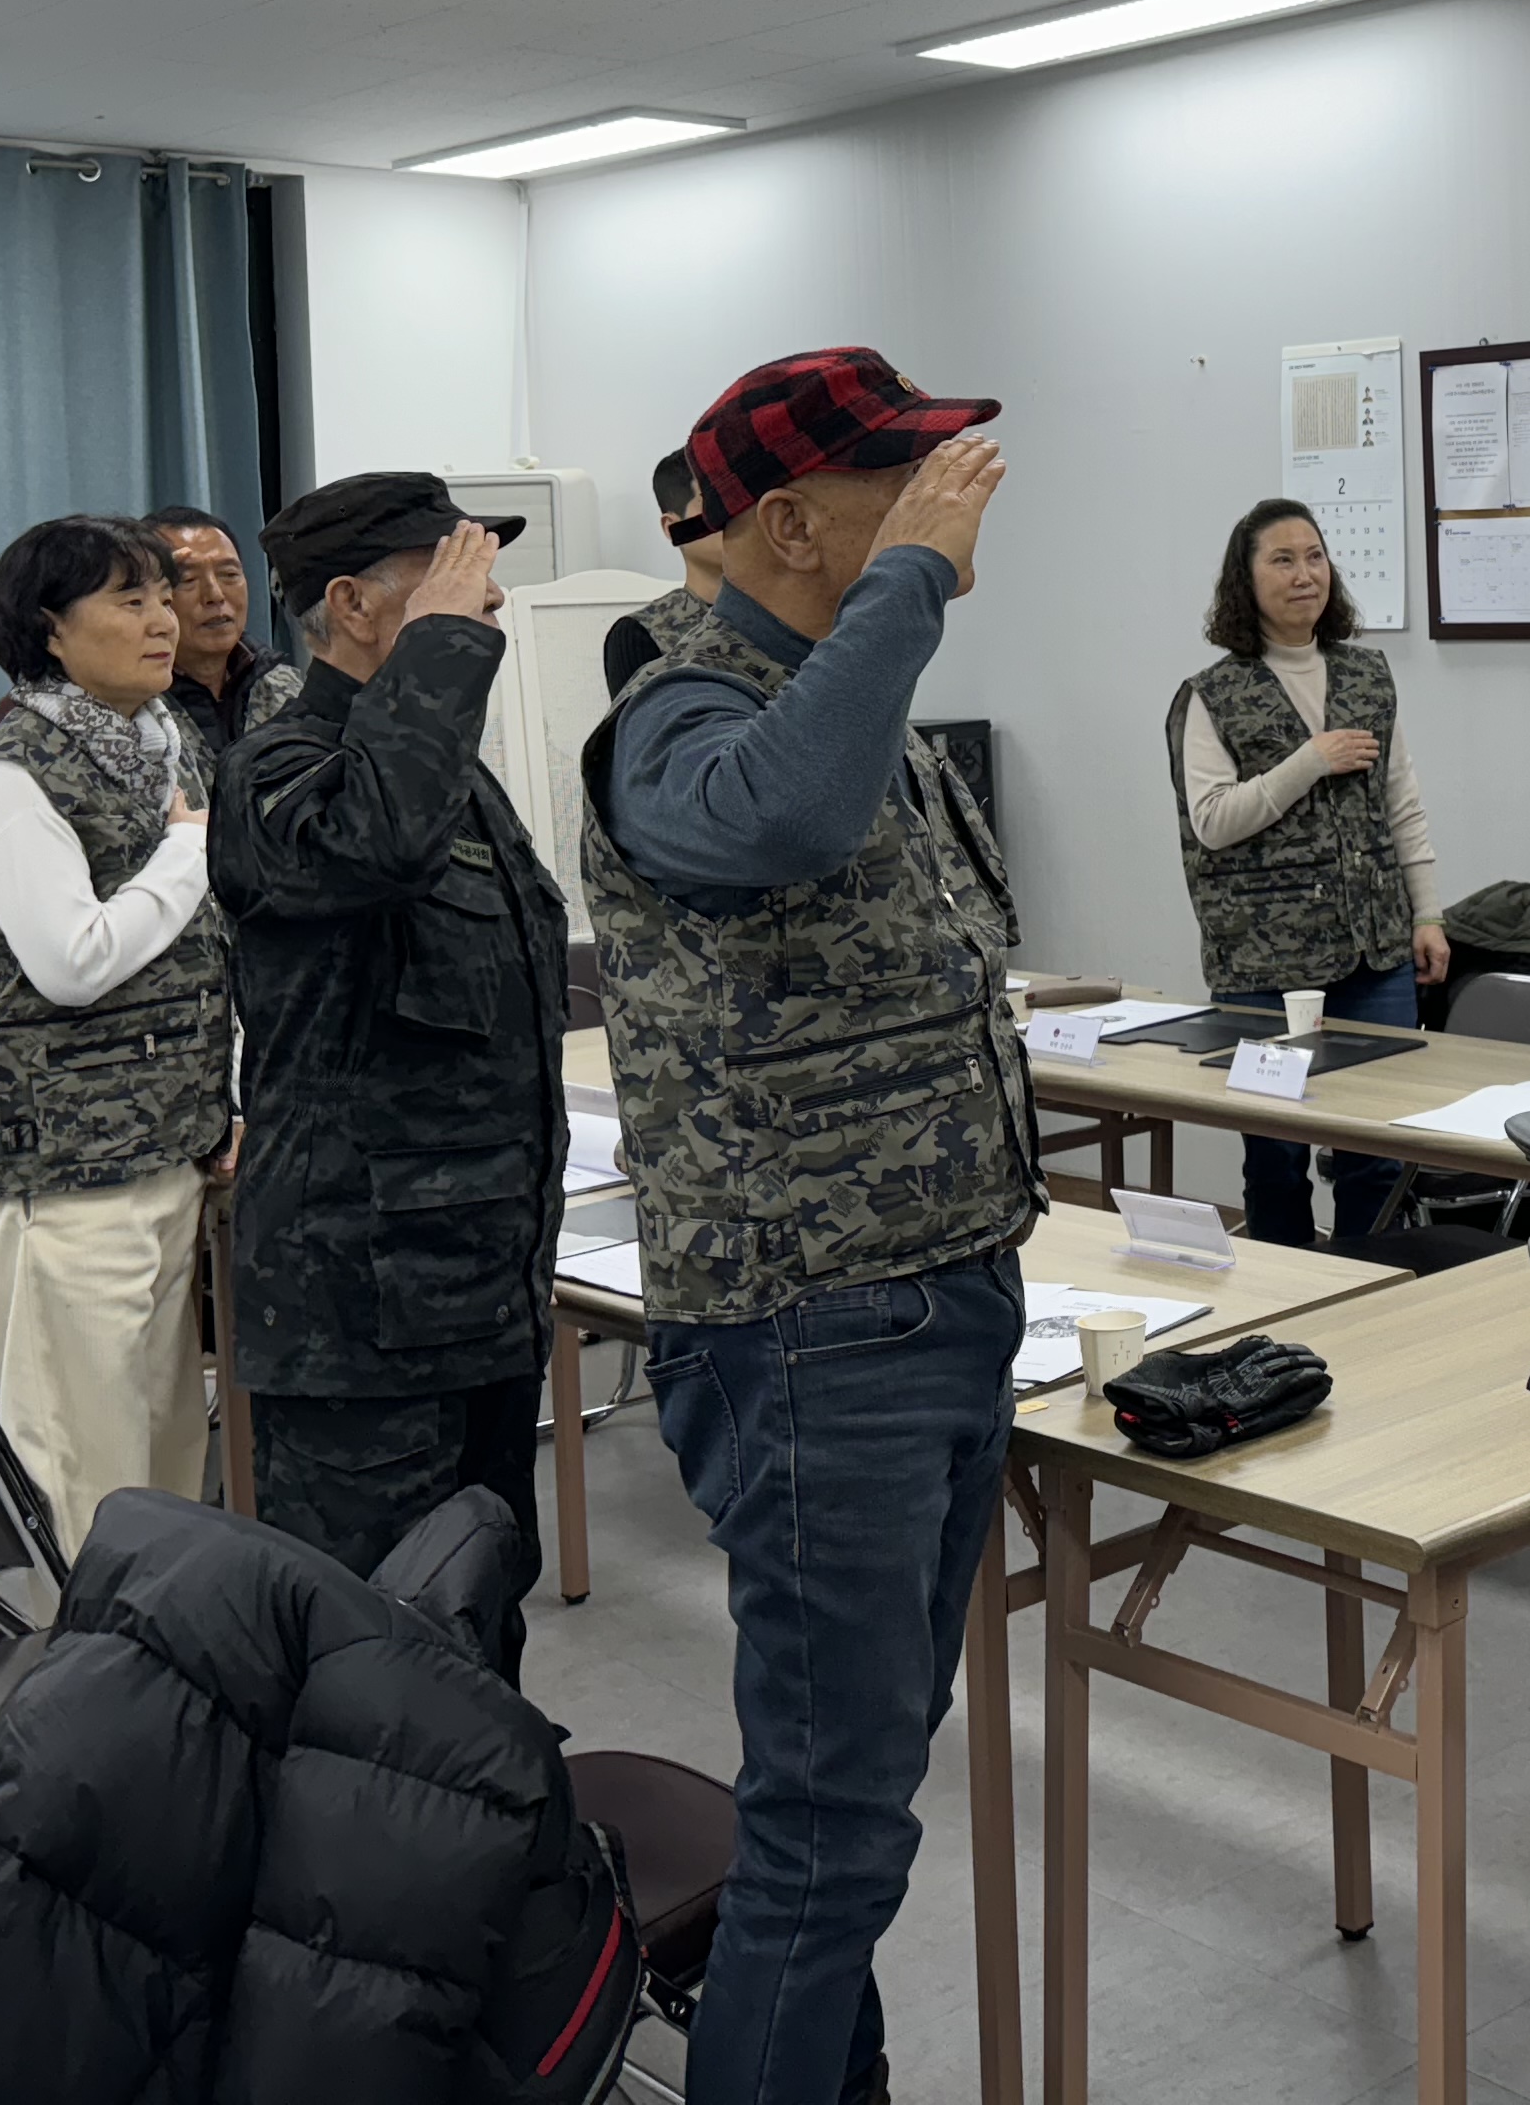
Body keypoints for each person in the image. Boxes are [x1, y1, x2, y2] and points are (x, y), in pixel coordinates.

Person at [578, 346, 1035, 2105]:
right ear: (786, 522)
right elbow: (774, 815)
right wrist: (909, 580)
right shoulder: (680, 717)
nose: (941, 502)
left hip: (934, 1304)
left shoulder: (855, 700)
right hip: (811, 1332)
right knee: (829, 1833)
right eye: (894, 483)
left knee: (860, 1791)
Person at [212, 475, 570, 1671]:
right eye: (451, 582)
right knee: (371, 1644)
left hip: (480, 1289)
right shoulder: (277, 771)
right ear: (356, 605)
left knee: (479, 1608)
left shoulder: (441, 768)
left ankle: (485, 1795)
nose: (489, 603)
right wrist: (446, 652)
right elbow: (377, 842)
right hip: (357, 1316)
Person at [0, 514, 233, 1558]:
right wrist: (188, 855)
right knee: (80, 1462)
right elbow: (74, 962)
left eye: (163, 598)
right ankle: (83, 1652)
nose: (164, 620)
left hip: (162, 1149)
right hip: (52, 1171)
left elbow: (203, 959)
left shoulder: (164, 750)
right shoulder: (9, 780)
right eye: (130, 601)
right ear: (50, 629)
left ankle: (165, 1640)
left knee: (166, 1441)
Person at [1164, 499, 1451, 1247]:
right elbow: (1212, 820)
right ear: (1246, 578)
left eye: (1315, 557)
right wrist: (1309, 762)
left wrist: (1428, 914)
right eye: (1283, 560)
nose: (1304, 575)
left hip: (1373, 953)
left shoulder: (1367, 674)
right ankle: (1285, 1296)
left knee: (1376, 1151)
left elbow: (1401, 803)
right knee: (1275, 1157)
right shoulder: (1211, 694)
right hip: (1263, 962)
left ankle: (1372, 1289)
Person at [146, 502, 298, 752]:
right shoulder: (130, 705)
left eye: (229, 574)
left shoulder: (289, 689)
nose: (215, 595)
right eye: (187, 579)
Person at [602, 444, 730, 695]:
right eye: (713, 502)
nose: (733, 513)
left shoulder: (794, 615)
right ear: (673, 527)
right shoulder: (644, 633)